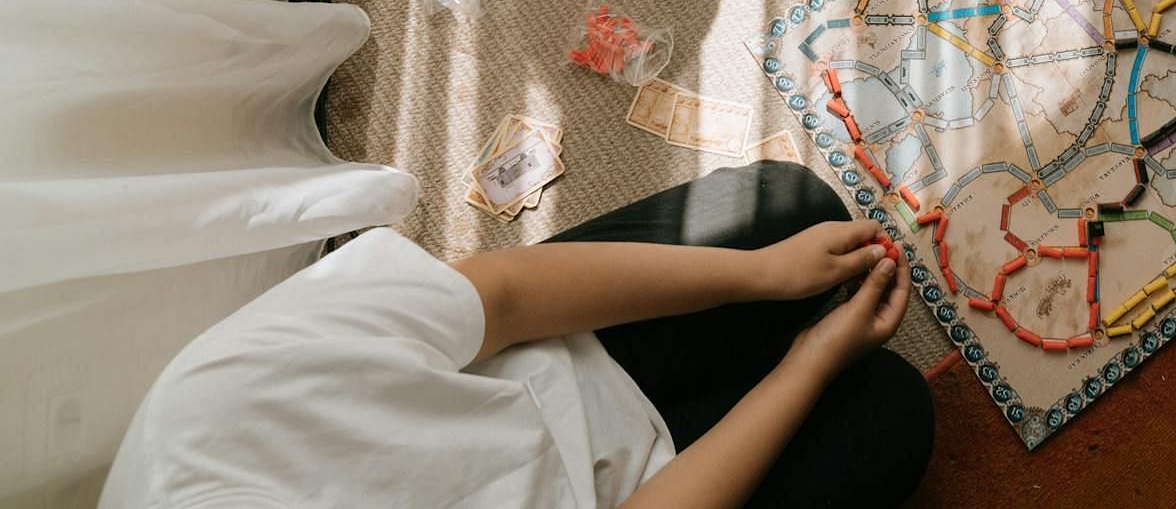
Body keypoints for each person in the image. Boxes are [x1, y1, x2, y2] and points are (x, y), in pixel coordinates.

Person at [100, 162, 935, 507]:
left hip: (559, 354)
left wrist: (764, 275)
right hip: (632, 488)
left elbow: (502, 298)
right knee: (893, 413)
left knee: (796, 212)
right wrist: (808, 365)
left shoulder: (211, 406)